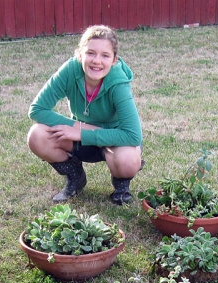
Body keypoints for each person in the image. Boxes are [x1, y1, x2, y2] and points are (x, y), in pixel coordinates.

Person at [27, 25, 143, 205]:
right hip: (80, 139)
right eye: (91, 53)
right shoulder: (70, 70)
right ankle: (75, 176)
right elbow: (37, 109)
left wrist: (83, 132)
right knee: (37, 135)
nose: (97, 61)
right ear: (80, 54)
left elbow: (133, 135)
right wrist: (77, 128)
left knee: (127, 159)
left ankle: (121, 186)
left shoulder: (118, 83)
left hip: (114, 141)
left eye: (105, 55)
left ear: (114, 60)